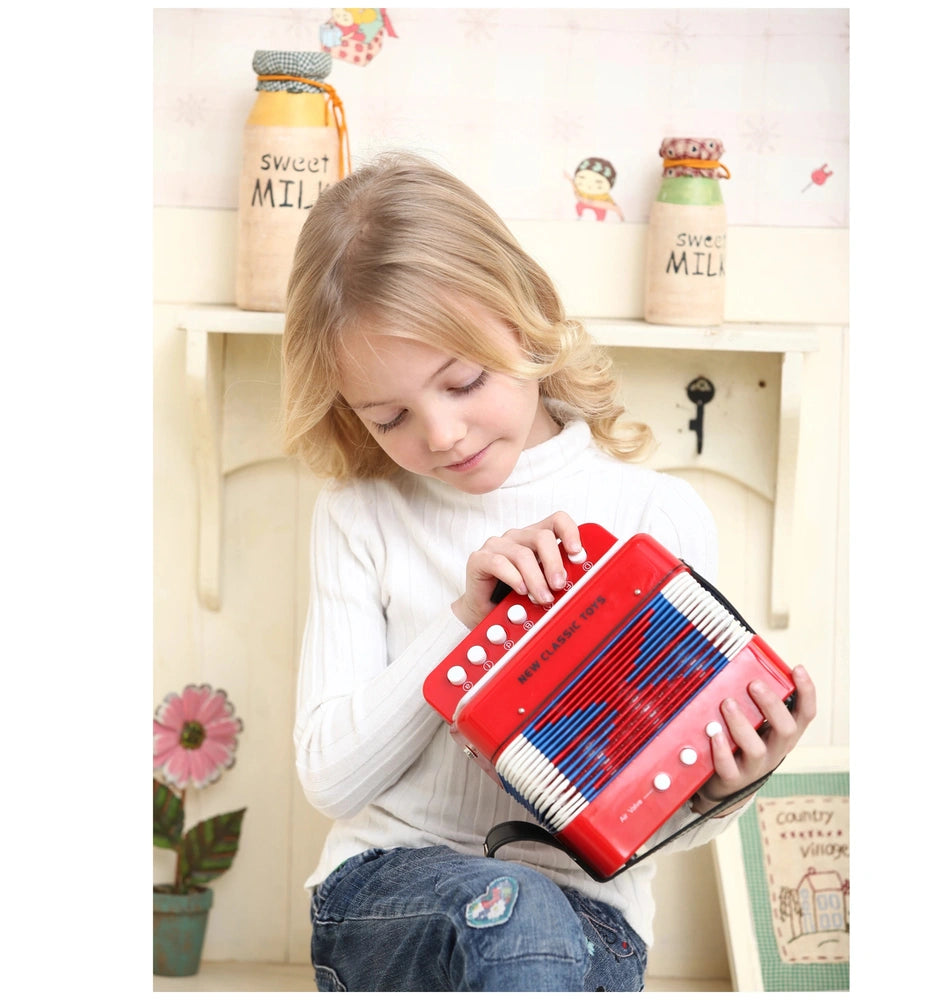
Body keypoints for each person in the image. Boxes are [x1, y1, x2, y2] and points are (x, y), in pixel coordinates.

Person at [282, 151, 816, 992]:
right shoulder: (361, 515)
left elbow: (655, 825)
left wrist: (729, 787)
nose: (443, 434)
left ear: (528, 319)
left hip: (590, 921)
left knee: (532, 921)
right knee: (511, 908)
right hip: (383, 898)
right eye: (390, 417)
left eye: (463, 382)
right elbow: (330, 777)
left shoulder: (656, 517)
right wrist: (464, 628)